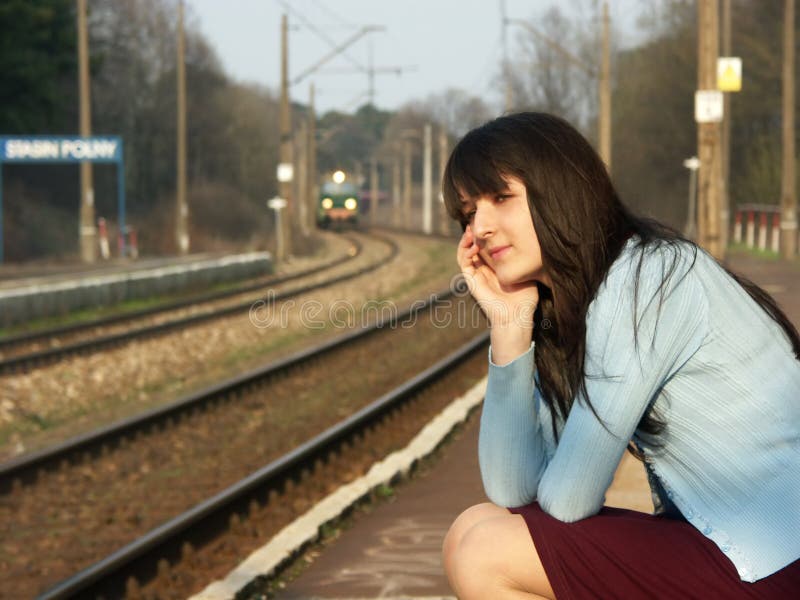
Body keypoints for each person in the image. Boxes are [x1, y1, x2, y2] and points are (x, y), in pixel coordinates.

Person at [440, 112, 800, 599]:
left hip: (775, 556)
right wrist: (509, 330)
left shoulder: (646, 281)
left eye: (500, 198)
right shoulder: (579, 304)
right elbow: (510, 489)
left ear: (561, 190)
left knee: (485, 551)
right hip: (730, 544)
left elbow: (569, 499)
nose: (480, 227)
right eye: (468, 213)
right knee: (473, 527)